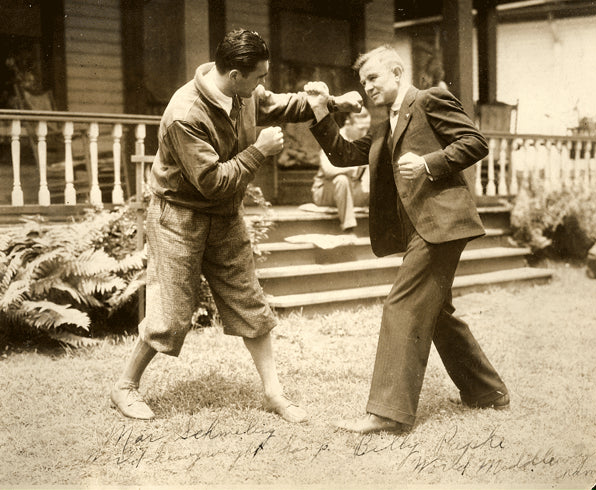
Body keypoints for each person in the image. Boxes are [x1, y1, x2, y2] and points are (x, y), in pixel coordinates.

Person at [109, 29, 361, 422]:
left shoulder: (243, 93)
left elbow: (280, 103)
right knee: (172, 315)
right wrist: (258, 151)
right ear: (235, 75)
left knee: (249, 301)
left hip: (224, 214)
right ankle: (124, 387)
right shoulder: (184, 114)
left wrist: (330, 102)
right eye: (259, 77)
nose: (263, 84)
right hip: (179, 215)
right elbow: (211, 183)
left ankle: (273, 393)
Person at [304, 45, 509, 434]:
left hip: (443, 224)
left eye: (374, 78)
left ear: (397, 73)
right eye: (363, 82)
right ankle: (487, 392)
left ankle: (387, 412)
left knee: (401, 306)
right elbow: (344, 154)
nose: (367, 88)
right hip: (421, 228)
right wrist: (318, 111)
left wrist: (429, 163)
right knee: (436, 315)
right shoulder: (384, 126)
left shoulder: (430, 99)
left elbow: (475, 142)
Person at [311, 107, 371, 231]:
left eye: (367, 128)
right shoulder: (334, 138)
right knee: (341, 179)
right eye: (361, 129)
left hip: (353, 191)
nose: (364, 133)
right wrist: (353, 169)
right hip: (326, 192)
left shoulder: (362, 141)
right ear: (348, 123)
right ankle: (348, 226)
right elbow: (329, 170)